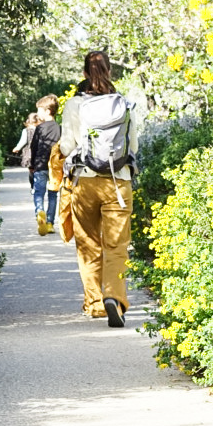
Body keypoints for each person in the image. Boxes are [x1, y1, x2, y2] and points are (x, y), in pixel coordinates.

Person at [59, 51, 142, 327]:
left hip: (85, 182)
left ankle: (95, 303)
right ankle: (114, 299)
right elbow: (133, 146)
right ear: (110, 72)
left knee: (89, 243)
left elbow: (67, 147)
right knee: (117, 246)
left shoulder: (74, 105)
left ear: (84, 73)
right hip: (119, 182)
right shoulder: (124, 104)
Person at [27, 95, 61, 235]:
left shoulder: (40, 128)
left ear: (47, 111)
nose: (38, 113)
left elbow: (33, 147)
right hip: (55, 167)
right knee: (53, 195)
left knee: (39, 193)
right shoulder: (59, 128)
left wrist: (31, 165)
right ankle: (50, 223)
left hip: (40, 165)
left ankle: (40, 212)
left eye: (39, 110)